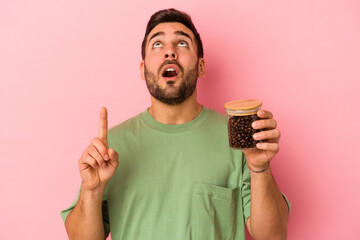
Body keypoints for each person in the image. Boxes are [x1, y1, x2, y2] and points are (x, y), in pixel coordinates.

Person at [61, 8, 290, 240]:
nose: (169, 52)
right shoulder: (110, 148)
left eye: (182, 43)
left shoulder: (236, 139)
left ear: (201, 66)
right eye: (157, 44)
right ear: (143, 69)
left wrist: (259, 167)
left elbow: (274, 236)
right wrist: (91, 190)